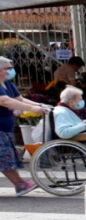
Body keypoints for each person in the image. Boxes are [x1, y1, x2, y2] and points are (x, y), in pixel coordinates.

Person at [0, 56, 43, 195]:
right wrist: (33, 109)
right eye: (8, 68)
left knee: (5, 158)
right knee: (4, 158)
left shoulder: (7, 84)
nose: (12, 70)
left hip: (5, 128)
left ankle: (20, 184)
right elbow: (5, 101)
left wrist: (40, 105)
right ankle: (20, 184)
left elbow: (19, 99)